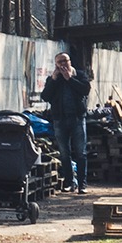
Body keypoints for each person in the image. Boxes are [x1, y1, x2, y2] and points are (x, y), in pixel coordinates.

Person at [38, 51, 92, 195]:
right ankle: (69, 182)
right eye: (59, 62)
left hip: (77, 118)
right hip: (60, 119)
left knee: (81, 153)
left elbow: (85, 90)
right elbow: (45, 96)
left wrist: (70, 79)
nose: (63, 65)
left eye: (65, 61)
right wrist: (54, 80)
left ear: (70, 61)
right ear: (56, 65)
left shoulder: (79, 75)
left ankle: (82, 184)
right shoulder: (54, 79)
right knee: (64, 153)